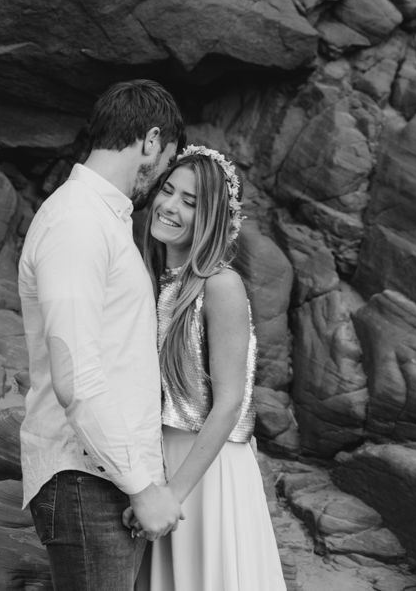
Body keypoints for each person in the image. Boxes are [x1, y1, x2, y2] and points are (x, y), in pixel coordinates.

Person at [18, 79, 187, 590]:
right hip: (84, 480)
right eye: (168, 160)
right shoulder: (77, 223)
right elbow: (75, 375)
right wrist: (140, 487)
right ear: (151, 142)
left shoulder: (105, 221)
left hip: (102, 477)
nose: (161, 180)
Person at [126, 145, 286, 590]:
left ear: (211, 218)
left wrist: (173, 493)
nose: (170, 206)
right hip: (157, 463)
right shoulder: (150, 280)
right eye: (168, 190)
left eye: (190, 202)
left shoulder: (221, 286)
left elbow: (230, 401)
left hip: (206, 471)